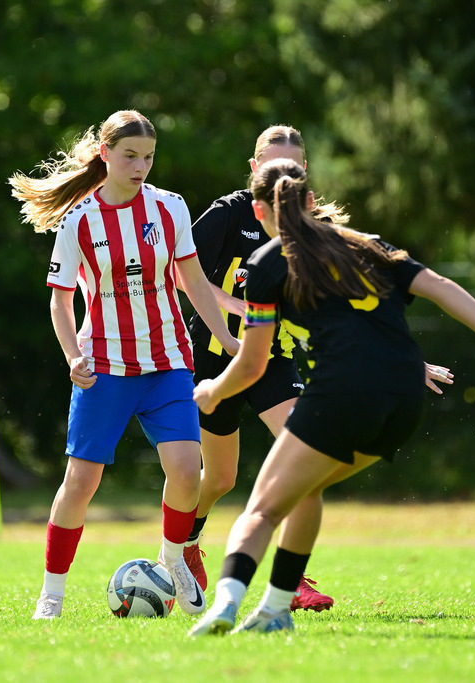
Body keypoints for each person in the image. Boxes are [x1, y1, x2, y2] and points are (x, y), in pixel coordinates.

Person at [188, 159, 475, 635]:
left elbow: (251, 363)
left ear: (260, 211)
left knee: (263, 509)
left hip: (341, 395)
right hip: (405, 399)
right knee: (306, 489)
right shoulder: (367, 245)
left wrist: (211, 391)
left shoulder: (269, 263)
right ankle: (275, 611)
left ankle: (224, 606)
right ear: (311, 201)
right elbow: (441, 286)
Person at [183, 125, 454, 612]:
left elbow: (361, 310)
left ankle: (292, 580)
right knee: (219, 479)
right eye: (271, 167)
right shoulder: (227, 215)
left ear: (305, 174)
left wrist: (406, 362)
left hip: (272, 360)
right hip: (212, 359)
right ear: (254, 169)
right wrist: (231, 312)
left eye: (295, 168)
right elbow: (182, 271)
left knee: (299, 462)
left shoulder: (317, 229)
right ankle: (185, 544)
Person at [9, 110, 241, 621]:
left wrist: (224, 336)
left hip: (168, 363)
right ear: (105, 155)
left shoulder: (170, 208)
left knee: (187, 469)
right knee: (80, 483)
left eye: (149, 157)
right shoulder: (78, 220)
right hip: (105, 368)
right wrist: (73, 356)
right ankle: (52, 592)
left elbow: (194, 281)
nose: (141, 166)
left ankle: (174, 558)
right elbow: (59, 300)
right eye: (130, 156)